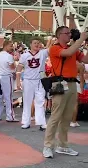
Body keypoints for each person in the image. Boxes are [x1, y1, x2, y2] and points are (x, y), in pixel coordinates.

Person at [43, 26, 88, 158]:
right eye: (67, 33)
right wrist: (81, 39)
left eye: (70, 33)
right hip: (60, 84)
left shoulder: (72, 48)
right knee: (56, 116)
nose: (69, 35)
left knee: (67, 118)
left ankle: (63, 145)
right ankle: (48, 145)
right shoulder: (55, 48)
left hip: (72, 84)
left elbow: (85, 60)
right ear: (59, 35)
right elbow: (68, 53)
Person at [16, 37, 51, 131]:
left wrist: (50, 40)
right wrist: (18, 81)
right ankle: (26, 122)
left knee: (40, 101)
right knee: (27, 101)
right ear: (30, 44)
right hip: (28, 80)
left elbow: (51, 49)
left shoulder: (43, 53)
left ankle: (41, 122)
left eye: (38, 43)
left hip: (39, 81)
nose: (37, 45)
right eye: (35, 43)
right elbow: (19, 68)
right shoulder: (24, 55)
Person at [0, 40, 18, 122]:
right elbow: (12, 67)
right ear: (6, 45)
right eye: (11, 46)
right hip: (7, 76)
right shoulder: (8, 56)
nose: (12, 48)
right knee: (8, 97)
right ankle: (10, 116)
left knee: (0, 97)